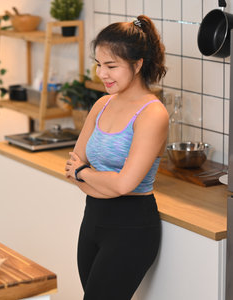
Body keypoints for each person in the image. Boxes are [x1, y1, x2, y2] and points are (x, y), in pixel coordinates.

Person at [64, 15, 168, 300]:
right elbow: (72, 166)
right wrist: (91, 175)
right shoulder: (102, 104)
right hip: (92, 222)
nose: (102, 74)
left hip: (131, 229)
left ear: (137, 64)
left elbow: (125, 186)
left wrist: (86, 173)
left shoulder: (152, 113)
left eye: (111, 66)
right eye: (99, 65)